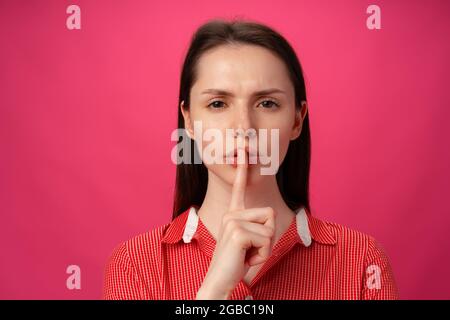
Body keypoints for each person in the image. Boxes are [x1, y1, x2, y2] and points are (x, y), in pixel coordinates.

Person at [102, 19, 399, 300]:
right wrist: (214, 290)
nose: (244, 128)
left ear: (297, 120)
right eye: (217, 103)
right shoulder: (134, 264)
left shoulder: (362, 260)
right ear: (189, 120)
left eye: (267, 103)